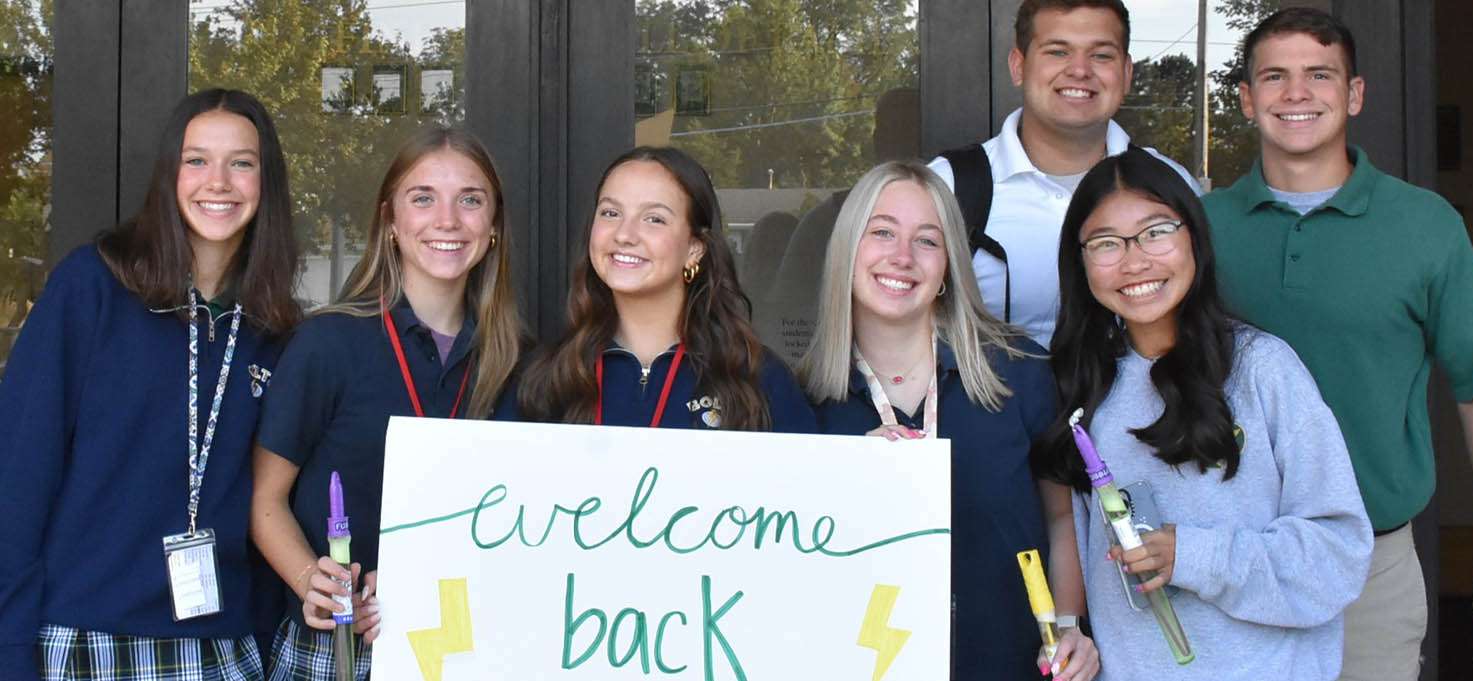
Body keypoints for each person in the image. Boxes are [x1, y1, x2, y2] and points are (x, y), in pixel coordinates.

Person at [1203, 8, 1473, 677]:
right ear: (1247, 100)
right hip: (1228, 561)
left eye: (1319, 74)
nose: (1297, 92)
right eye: (1274, 76)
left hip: (1371, 561)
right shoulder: (1198, 228)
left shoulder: (1425, 225)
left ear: (1355, 93)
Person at [1034, 147, 1371, 680]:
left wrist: (1192, 556)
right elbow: (1070, 535)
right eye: (1105, 243)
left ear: (1194, 235)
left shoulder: (1263, 370)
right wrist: (1069, 627)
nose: (1134, 260)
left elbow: (1337, 555)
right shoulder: (1082, 386)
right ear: (1079, 262)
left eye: (1156, 231)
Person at [0, 89, 300, 681]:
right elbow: (19, 473)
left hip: (223, 647)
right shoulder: (93, 287)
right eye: (197, 161)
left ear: (267, 183)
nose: (219, 181)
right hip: (85, 636)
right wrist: (10, 648)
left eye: (241, 162)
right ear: (169, 174)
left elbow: (274, 503)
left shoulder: (277, 330)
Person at [800, 160, 1098, 681]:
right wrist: (844, 480)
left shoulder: (1018, 372)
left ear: (948, 267)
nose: (902, 257)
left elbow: (1063, 516)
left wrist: (1070, 628)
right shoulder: (805, 401)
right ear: (847, 249)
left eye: (927, 240)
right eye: (883, 232)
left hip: (1008, 663)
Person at [251, 127, 525, 680]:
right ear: (391, 222)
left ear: (493, 226)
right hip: (337, 654)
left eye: (470, 200)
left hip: (467, 650)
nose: (447, 219)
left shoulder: (523, 361)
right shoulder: (327, 343)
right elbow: (264, 500)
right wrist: (313, 582)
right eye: (422, 198)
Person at [929, 0, 1197, 348]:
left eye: (1101, 55)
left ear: (1127, 73)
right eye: (1057, 52)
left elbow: (1201, 319)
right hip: (994, 401)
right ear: (1018, 66)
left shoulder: (1172, 185)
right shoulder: (948, 186)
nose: (1080, 70)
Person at [519, 146, 814, 432]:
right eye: (610, 213)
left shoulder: (758, 379)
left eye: (654, 219)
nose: (624, 234)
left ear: (695, 249)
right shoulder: (548, 377)